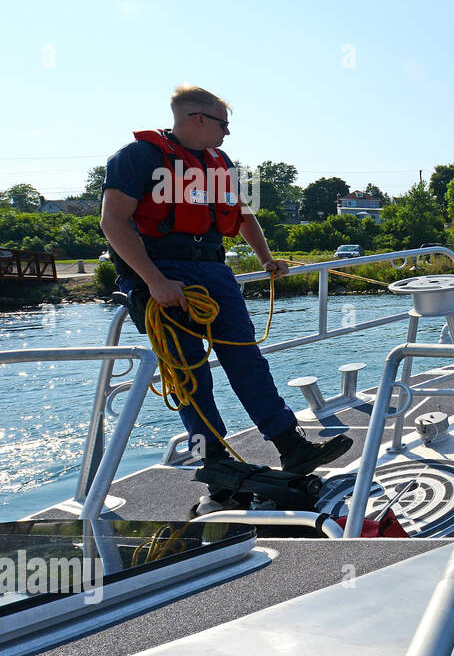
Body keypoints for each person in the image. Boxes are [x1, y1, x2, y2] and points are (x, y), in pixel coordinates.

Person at [100, 85, 351, 511]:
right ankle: (215, 465)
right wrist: (155, 282)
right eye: (223, 124)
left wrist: (267, 258)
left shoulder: (222, 163)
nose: (228, 133)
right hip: (164, 272)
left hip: (214, 269)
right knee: (189, 375)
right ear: (197, 118)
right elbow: (113, 222)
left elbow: (244, 215)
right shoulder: (137, 157)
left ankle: (290, 444)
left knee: (247, 358)